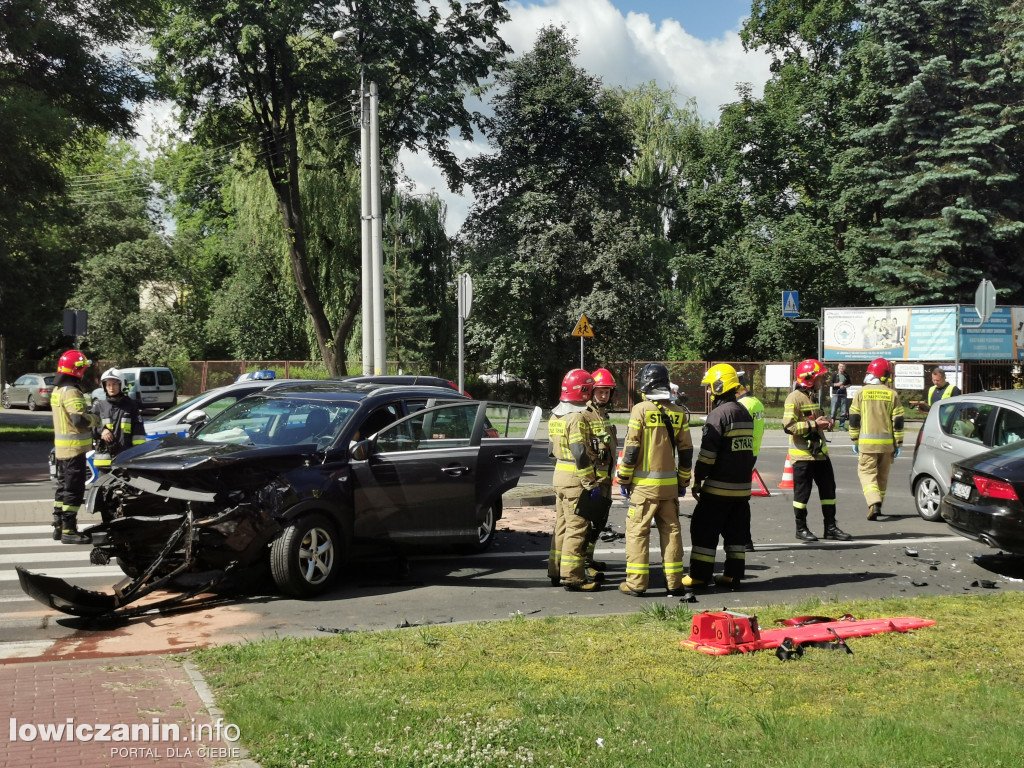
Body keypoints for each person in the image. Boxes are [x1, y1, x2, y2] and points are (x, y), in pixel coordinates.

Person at [615, 363, 692, 597]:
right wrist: (683, 482)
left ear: (647, 383)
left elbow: (631, 449)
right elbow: (686, 451)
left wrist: (624, 478)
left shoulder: (641, 410)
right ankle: (675, 583)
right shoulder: (679, 412)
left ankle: (636, 584)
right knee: (671, 532)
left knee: (638, 533)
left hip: (644, 489)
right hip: (669, 488)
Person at [681, 364, 756, 590]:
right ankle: (733, 576)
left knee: (703, 530)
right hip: (741, 490)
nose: (708, 391)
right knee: (736, 534)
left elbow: (708, 454)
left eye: (710, 387)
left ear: (720, 385)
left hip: (718, 489)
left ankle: (699, 576)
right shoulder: (744, 412)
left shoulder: (718, 414)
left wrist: (698, 479)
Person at [782, 358, 852, 542]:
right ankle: (801, 528)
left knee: (829, 490)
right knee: (802, 495)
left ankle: (830, 527)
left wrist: (826, 422)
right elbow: (788, 426)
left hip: (820, 454)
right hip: (803, 456)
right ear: (809, 378)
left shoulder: (812, 396)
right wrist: (815, 424)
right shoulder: (794, 397)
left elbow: (815, 421)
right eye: (820, 377)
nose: (823, 381)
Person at [546, 369, 601, 592]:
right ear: (585, 390)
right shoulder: (577, 417)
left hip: (559, 474)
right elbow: (580, 452)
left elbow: (551, 451)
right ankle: (573, 577)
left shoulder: (555, 415)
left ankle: (556, 570)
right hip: (574, 477)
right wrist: (590, 482)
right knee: (577, 528)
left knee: (561, 525)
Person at [50, 350, 101, 544]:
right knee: (73, 490)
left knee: (62, 488)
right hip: (74, 450)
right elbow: (78, 419)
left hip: (62, 450)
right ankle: (69, 530)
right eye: (83, 369)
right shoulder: (71, 391)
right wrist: (95, 419)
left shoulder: (58, 390)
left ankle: (58, 525)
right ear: (76, 369)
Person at [849, 358, 905, 521]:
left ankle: (873, 502)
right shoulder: (892, 394)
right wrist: (899, 443)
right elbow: (899, 421)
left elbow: (854, 418)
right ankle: (878, 505)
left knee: (867, 474)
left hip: (867, 445)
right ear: (884, 375)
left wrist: (854, 439)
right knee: (882, 476)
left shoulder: (861, 392)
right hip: (887, 446)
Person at [581, 368, 618, 576]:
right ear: (592, 392)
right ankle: (584, 563)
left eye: (607, 392)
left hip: (606, 479)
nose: (604, 396)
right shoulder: (586, 415)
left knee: (600, 521)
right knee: (588, 523)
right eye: (600, 392)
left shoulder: (603, 415)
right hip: (594, 480)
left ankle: (590, 559)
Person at [91, 368, 146, 474]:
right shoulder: (99, 406)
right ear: (104, 386)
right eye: (108, 385)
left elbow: (138, 432)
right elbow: (89, 425)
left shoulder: (131, 406)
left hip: (126, 457)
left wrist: (137, 453)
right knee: (103, 489)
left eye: (115, 384)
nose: (111, 388)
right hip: (104, 459)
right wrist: (101, 430)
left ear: (121, 385)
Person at [736, 370, 764, 552]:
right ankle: (744, 539)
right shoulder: (756, 402)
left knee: (736, 500)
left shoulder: (743, 405)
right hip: (751, 453)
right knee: (740, 499)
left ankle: (744, 540)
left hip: (739, 454)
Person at [830, 363, 851, 430]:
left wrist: (844, 387)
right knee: (833, 411)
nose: (841, 368)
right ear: (838, 367)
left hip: (843, 395)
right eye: (840, 366)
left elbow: (849, 384)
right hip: (835, 395)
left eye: (843, 367)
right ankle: (831, 426)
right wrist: (836, 384)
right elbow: (830, 383)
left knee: (843, 411)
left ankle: (841, 426)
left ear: (845, 368)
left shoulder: (846, 375)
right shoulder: (834, 374)